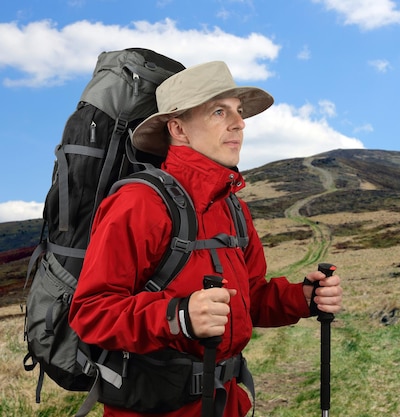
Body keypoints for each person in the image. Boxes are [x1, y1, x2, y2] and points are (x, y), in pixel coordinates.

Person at [68, 61, 343, 417]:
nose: (239, 124)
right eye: (219, 111)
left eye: (239, 112)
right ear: (178, 129)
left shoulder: (232, 208)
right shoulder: (139, 203)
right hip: (154, 408)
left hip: (225, 402)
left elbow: (249, 299)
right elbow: (91, 313)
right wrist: (178, 316)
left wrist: (301, 298)